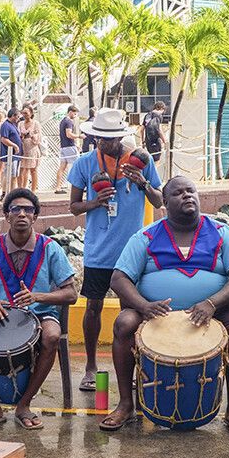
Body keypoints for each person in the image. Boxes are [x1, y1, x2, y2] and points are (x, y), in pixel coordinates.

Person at [99, 176, 229, 433]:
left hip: (213, 309)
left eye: (191, 191)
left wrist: (212, 303)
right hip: (155, 311)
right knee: (124, 324)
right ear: (165, 202)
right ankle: (126, 404)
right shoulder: (147, 236)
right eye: (178, 193)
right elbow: (119, 278)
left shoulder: (220, 232)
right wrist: (143, 305)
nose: (187, 196)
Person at [0, 188, 77, 430]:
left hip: (40, 314)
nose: (21, 213)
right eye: (15, 209)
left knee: (51, 336)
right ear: (6, 216)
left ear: (35, 217)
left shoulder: (51, 248)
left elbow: (71, 294)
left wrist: (38, 296)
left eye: (28, 210)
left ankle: (24, 405)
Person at [68, 108, 163, 394]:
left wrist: (142, 182)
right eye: (100, 139)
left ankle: (134, 367)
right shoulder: (84, 163)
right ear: (94, 136)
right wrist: (95, 202)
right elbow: (73, 207)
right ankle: (90, 367)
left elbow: (159, 201)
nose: (105, 144)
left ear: (121, 136)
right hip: (98, 249)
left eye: (111, 139)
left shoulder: (141, 160)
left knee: (130, 312)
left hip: (132, 251)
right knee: (93, 307)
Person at [0, 107, 24, 199]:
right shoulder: (5, 125)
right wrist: (14, 145)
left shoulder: (13, 125)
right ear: (13, 116)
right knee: (9, 173)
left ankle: (13, 192)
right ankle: (5, 192)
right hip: (10, 154)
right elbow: (3, 139)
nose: (18, 119)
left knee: (14, 174)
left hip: (16, 155)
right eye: (17, 117)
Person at [54, 105, 80, 193]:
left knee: (62, 168)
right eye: (75, 114)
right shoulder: (69, 122)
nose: (75, 116)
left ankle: (58, 187)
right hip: (69, 146)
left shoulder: (62, 121)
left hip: (63, 147)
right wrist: (79, 136)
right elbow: (69, 134)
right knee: (77, 166)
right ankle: (77, 187)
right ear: (70, 112)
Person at [17, 104, 41, 193]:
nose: (25, 115)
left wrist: (32, 136)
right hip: (23, 148)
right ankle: (22, 189)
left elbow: (39, 137)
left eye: (26, 113)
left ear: (31, 113)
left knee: (33, 170)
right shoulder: (20, 123)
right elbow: (18, 135)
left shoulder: (36, 123)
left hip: (32, 148)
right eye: (23, 113)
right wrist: (21, 136)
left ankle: (33, 190)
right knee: (22, 169)